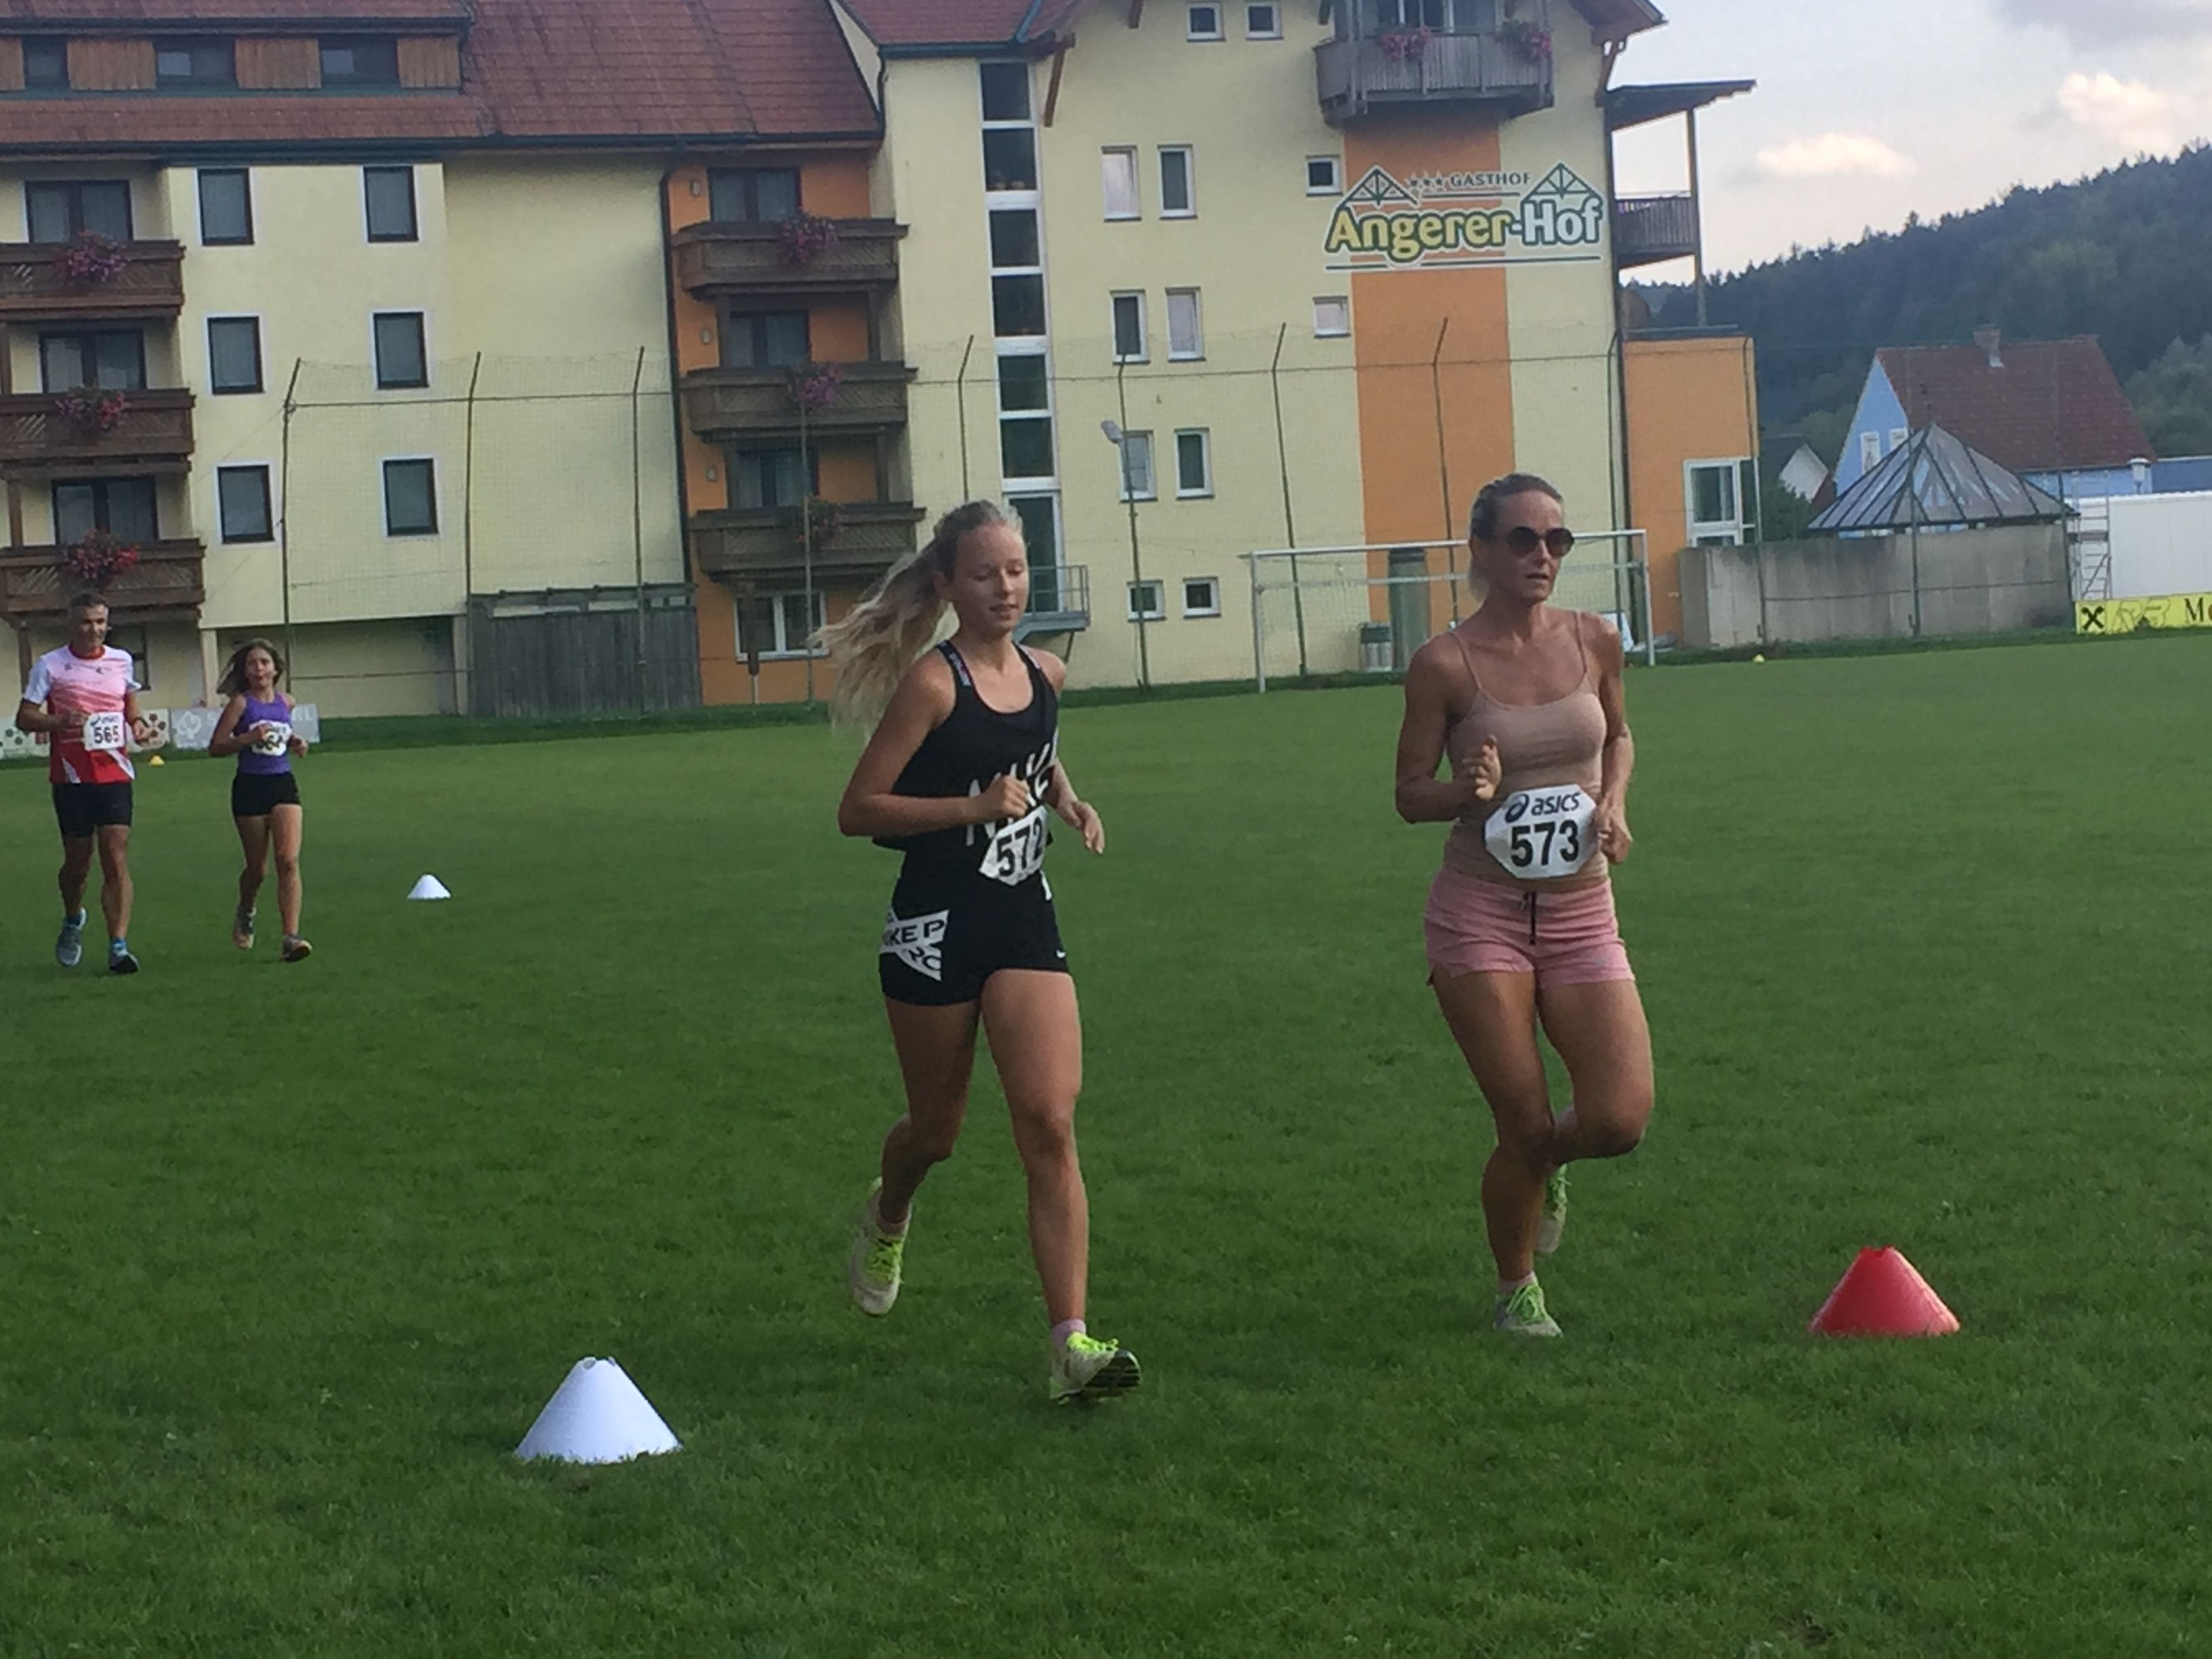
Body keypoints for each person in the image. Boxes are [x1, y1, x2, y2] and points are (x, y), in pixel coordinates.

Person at [825, 499, 1139, 1405]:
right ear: (948, 585)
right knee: (937, 1131)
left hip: (1021, 916)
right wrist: (972, 808)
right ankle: (889, 1210)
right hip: (934, 925)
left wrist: (1067, 799)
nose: (1005, 588)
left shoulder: (1047, 673)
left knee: (1049, 1122)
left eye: (1016, 569)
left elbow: (1031, 754)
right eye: (984, 574)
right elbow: (858, 810)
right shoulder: (932, 684)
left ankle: (1070, 1346)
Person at [1393, 473, 1654, 1338]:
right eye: (1523, 539)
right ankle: (1517, 1289)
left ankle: (1550, 1162)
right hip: (1481, 914)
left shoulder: (1595, 638)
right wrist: (1465, 791)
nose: (1543, 555)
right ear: (1482, 550)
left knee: (1618, 1117)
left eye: (1557, 540)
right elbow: (1408, 793)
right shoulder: (1443, 665)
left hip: (1582, 909)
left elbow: (1618, 735)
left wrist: (1613, 803)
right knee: (1523, 1119)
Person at [16, 591, 154, 974]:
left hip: (115, 774)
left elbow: (129, 705)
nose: (93, 630)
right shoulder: (50, 665)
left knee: (116, 858)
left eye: (99, 622)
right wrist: (60, 721)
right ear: (71, 623)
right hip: (72, 777)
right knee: (78, 866)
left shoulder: (121, 660)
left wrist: (138, 725)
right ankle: (73, 917)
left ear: (107, 623)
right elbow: (25, 718)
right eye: (86, 622)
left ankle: (118, 946)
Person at [207, 638, 312, 962]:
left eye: (264, 662)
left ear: (276, 668)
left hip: (283, 784)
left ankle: (291, 937)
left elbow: (281, 736)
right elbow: (216, 747)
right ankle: (247, 909)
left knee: (288, 860)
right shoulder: (240, 704)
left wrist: (295, 742)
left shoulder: (286, 702)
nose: (259, 669)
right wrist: (247, 738)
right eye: (252, 664)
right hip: (250, 788)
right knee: (258, 869)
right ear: (245, 671)